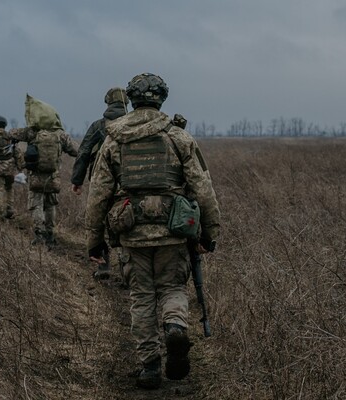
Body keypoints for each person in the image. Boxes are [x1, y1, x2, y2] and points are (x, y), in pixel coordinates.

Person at [85, 73, 220, 389]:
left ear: (132, 100)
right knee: (173, 288)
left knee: (142, 297)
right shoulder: (178, 137)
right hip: (174, 230)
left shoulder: (114, 139)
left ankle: (149, 368)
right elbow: (203, 188)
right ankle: (174, 326)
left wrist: (95, 241)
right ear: (162, 99)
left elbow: (98, 195)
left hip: (131, 232)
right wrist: (208, 233)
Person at [71, 87, 129, 279]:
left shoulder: (99, 126)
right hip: (128, 182)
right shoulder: (134, 123)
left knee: (101, 220)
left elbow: (84, 152)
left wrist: (77, 181)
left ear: (107, 102)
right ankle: (127, 269)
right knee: (125, 219)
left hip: (101, 181)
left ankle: (103, 265)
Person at [10, 123, 78, 247]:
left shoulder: (31, 132)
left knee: (36, 205)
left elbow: (12, 133)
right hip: (53, 177)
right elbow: (75, 150)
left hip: (35, 177)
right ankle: (50, 235)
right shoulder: (60, 134)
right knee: (51, 205)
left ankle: (39, 235)